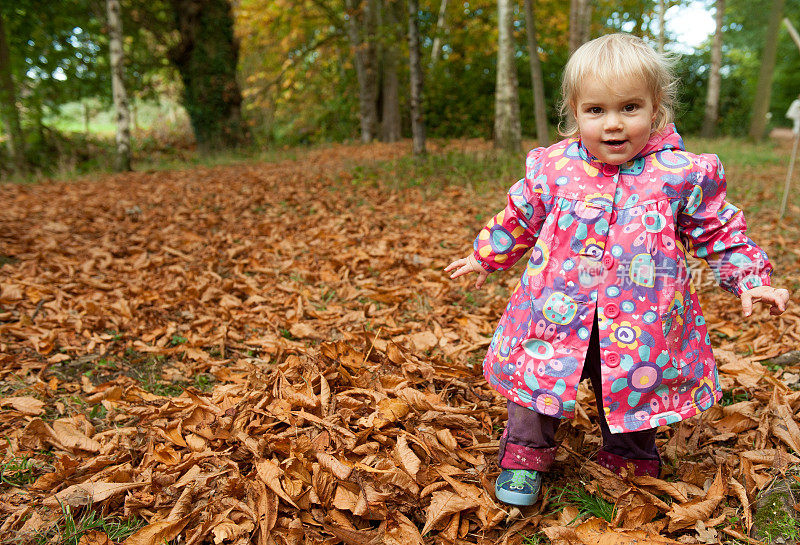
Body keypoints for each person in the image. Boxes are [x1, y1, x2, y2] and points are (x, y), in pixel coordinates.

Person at [445, 33, 790, 507]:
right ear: (574, 110)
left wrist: (752, 279)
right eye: (596, 110)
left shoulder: (678, 174)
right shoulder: (555, 167)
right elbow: (523, 214)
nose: (613, 125)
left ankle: (629, 456)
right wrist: (487, 253)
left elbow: (717, 231)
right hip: (556, 309)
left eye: (630, 108)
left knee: (633, 382)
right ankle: (525, 454)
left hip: (639, 317)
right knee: (536, 381)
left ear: (656, 108)